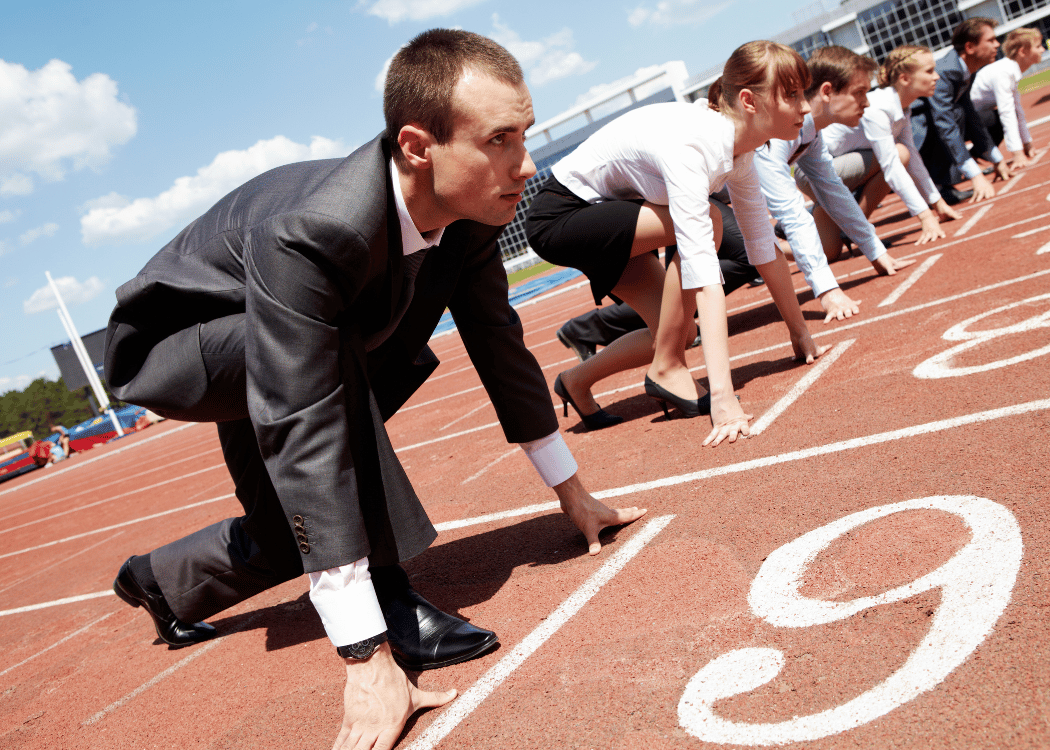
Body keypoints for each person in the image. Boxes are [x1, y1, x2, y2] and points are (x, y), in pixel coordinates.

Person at [103, 29, 644, 750]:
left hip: (303, 338)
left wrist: (572, 493)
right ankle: (389, 607)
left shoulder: (470, 212)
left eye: (527, 134)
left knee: (286, 527)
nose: (525, 164)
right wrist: (363, 655)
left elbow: (496, 339)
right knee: (322, 407)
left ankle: (160, 583)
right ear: (419, 145)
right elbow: (302, 421)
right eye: (500, 140)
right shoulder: (313, 231)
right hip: (184, 344)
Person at [526, 41, 829, 445]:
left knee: (678, 333)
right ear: (748, 101)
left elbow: (761, 244)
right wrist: (723, 398)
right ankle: (667, 369)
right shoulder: (694, 145)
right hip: (562, 216)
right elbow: (703, 270)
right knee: (708, 219)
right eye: (791, 95)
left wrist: (799, 332)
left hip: (616, 212)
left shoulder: (739, 153)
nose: (805, 107)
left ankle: (575, 381)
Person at [758, 45, 914, 324]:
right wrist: (828, 290)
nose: (867, 102)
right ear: (828, 92)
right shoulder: (778, 132)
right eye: (859, 92)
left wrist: (876, 251)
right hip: (694, 203)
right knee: (738, 250)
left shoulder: (809, 132)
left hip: (713, 207)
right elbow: (792, 214)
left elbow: (833, 190)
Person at [555, 196, 763, 363]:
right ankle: (590, 329)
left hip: (688, 197)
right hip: (682, 196)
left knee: (677, 305)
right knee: (749, 257)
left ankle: (587, 331)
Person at [821, 45, 962, 246]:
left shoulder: (903, 109)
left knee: (829, 251)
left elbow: (913, 157)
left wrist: (937, 202)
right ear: (905, 79)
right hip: (820, 171)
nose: (937, 77)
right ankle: (852, 224)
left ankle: (839, 224)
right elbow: (892, 164)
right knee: (898, 154)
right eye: (929, 71)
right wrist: (925, 216)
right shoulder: (878, 108)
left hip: (847, 169)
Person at [909, 17, 1013, 204]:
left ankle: (953, 173)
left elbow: (971, 115)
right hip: (913, 136)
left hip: (927, 131)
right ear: (970, 47)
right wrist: (975, 176)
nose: (997, 44)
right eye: (990, 40)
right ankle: (940, 187)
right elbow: (944, 122)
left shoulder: (965, 70)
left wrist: (997, 159)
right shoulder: (946, 72)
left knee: (976, 115)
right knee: (952, 116)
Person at [970, 27, 1044, 170]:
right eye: (1038, 46)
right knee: (999, 117)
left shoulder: (1010, 70)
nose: (1043, 50)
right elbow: (1007, 113)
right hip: (963, 123)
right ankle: (963, 161)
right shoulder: (1003, 72)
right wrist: (1017, 154)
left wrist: (1027, 144)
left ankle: (974, 156)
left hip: (974, 119)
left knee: (1005, 115)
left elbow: (1018, 111)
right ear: (1022, 51)